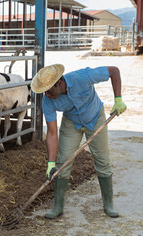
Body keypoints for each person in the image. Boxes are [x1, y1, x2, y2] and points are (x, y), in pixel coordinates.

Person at [30, 64, 127, 219]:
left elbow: (114, 71)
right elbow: (52, 133)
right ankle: (58, 206)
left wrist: (118, 99)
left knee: (102, 161)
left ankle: (108, 204)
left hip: (95, 117)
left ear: (60, 83)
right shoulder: (47, 101)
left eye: (49, 90)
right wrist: (50, 164)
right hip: (72, 123)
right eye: (44, 92)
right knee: (63, 163)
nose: (46, 95)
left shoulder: (83, 77)